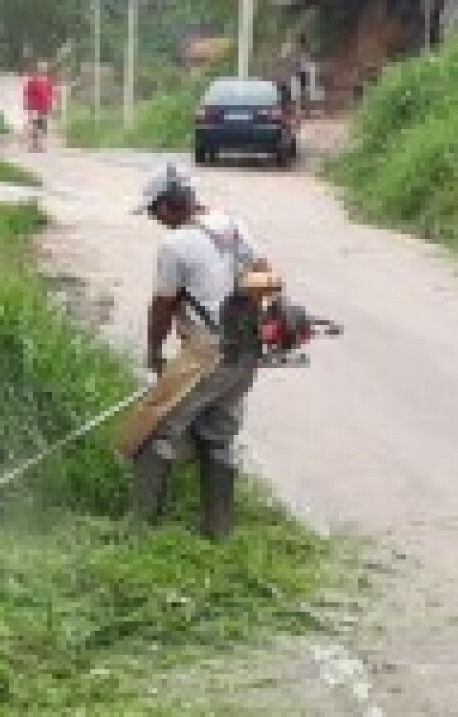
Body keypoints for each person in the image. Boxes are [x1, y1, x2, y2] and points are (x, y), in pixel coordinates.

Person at [129, 165, 276, 540]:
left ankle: (140, 532)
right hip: (246, 348)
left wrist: (154, 352)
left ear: (165, 207)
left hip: (207, 352)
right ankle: (218, 532)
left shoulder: (174, 246)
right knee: (218, 435)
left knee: (154, 432)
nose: (152, 218)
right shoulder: (232, 224)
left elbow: (161, 306)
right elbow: (264, 270)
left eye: (152, 210)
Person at [23, 60, 55, 152]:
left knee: (42, 126)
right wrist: (27, 104)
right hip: (34, 107)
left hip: (44, 107)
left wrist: (51, 104)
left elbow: (51, 94)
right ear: (38, 69)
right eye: (41, 68)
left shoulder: (48, 81)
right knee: (34, 126)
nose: (43, 70)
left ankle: (40, 145)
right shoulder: (33, 80)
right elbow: (27, 93)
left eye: (44, 68)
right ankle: (33, 145)